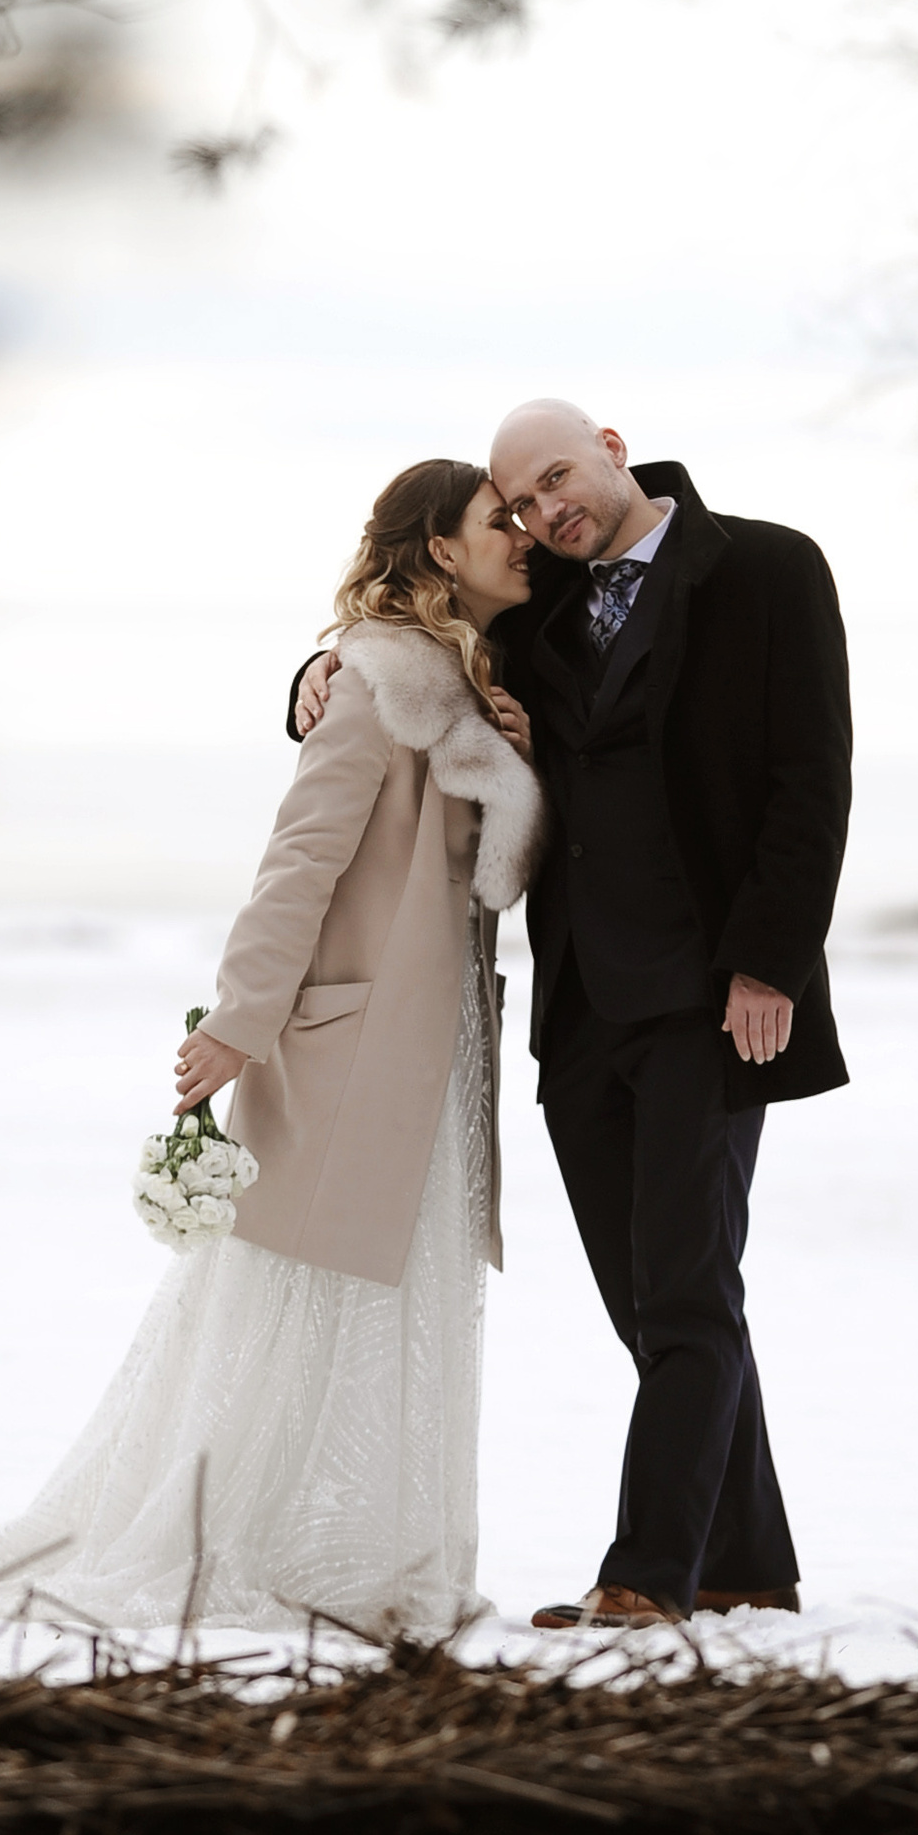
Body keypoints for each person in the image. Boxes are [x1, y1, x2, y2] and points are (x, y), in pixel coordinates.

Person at [0, 459, 546, 1642]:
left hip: (441, 1045)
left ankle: (376, 1552)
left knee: (402, 1293)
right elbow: (300, 857)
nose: (525, 534)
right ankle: (284, 1549)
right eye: (499, 520)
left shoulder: (474, 679)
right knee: (305, 1301)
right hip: (361, 1041)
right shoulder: (380, 685)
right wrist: (239, 1018)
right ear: (439, 549)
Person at [294, 401, 850, 1627]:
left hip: (715, 1002)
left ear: (609, 442)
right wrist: (320, 666)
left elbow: (810, 778)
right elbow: (422, 646)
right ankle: (749, 1558)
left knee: (689, 1292)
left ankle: (650, 1575)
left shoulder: (767, 566)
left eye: (556, 479)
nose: (548, 513)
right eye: (526, 503)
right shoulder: (546, 597)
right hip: (583, 1006)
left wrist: (769, 964)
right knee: (642, 1299)